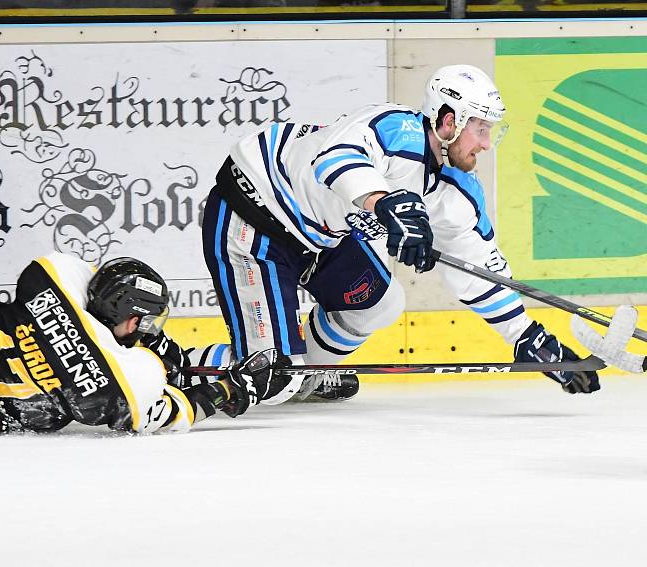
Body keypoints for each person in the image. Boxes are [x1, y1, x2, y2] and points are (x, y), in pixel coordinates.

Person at [192, 63, 599, 403]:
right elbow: (333, 159)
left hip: (321, 237)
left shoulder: (458, 193)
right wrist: (383, 202)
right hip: (254, 216)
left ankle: (305, 374)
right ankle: (176, 360)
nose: (487, 144)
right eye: (480, 128)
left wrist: (528, 339)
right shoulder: (394, 129)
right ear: (448, 120)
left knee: (381, 303)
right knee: (273, 380)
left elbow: (478, 274)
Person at [0, 252, 286, 435]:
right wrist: (230, 389)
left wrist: (157, 351)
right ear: (130, 314)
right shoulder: (121, 381)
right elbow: (155, 412)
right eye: (144, 322)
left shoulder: (53, 281)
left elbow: (81, 324)